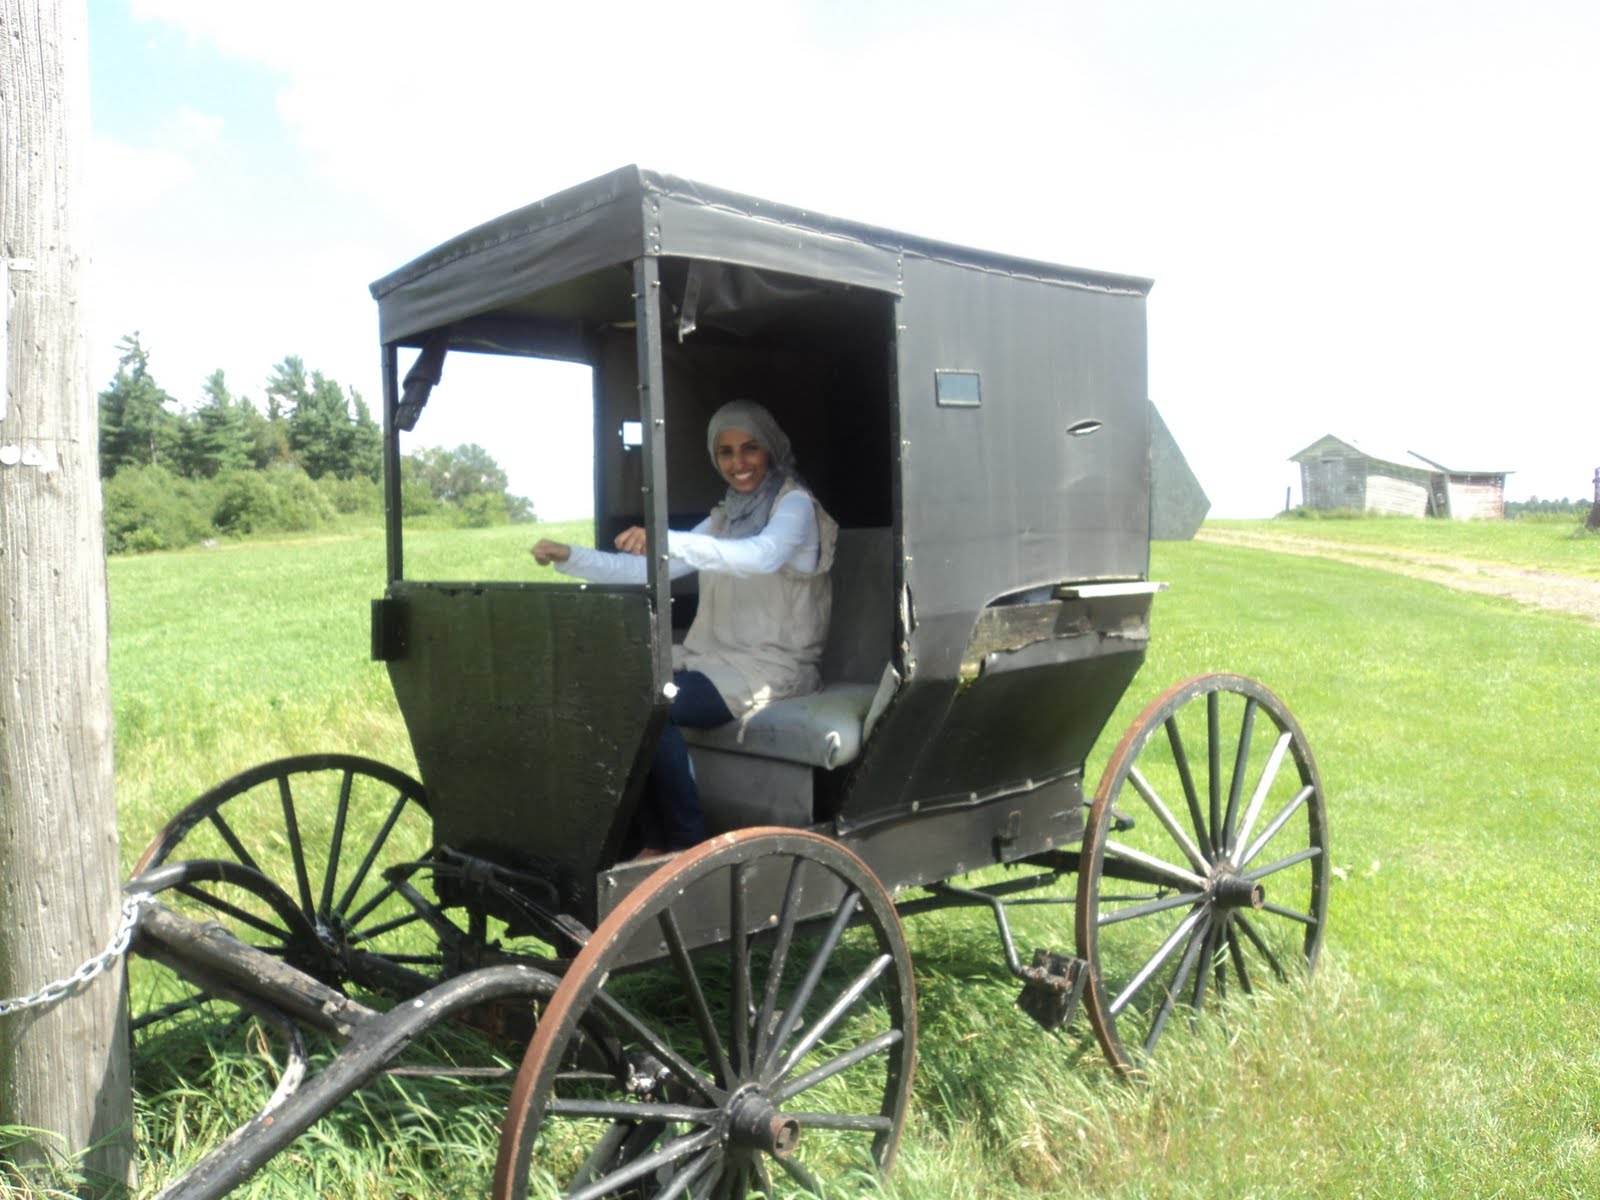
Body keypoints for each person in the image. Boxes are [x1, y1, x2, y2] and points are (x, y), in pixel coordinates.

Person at [532, 400, 837, 857]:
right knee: (609, 692)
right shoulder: (724, 517)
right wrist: (571, 556)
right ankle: (647, 842)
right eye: (726, 453)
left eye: (749, 448)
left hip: (774, 667)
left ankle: (685, 843)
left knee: (656, 705)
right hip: (714, 660)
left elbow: (761, 555)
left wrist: (667, 540)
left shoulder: (794, 505)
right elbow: (645, 571)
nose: (739, 463)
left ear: (770, 449)